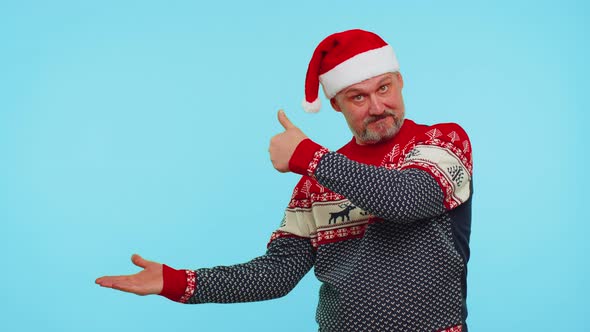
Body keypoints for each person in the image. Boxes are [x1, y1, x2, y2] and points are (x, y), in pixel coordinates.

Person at [96, 29, 473, 332]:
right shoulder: (314, 183)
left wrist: (309, 156)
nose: (377, 107)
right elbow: (276, 274)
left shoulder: (440, 141)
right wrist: (177, 281)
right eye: (358, 96)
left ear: (400, 81)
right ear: (337, 104)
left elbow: (407, 200)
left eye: (384, 88)